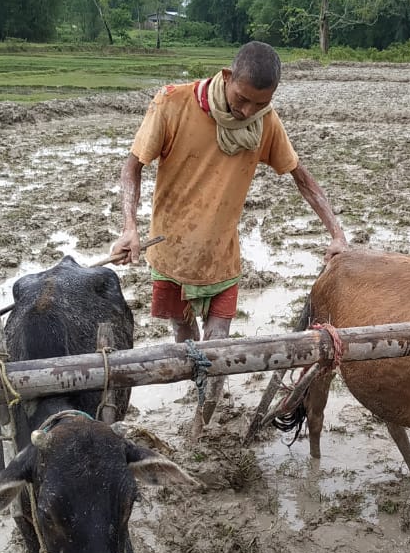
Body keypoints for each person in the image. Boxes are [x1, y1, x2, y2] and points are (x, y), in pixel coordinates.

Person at [110, 41, 347, 347]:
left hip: (221, 257)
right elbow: (132, 168)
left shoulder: (265, 123)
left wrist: (337, 234)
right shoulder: (171, 103)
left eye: (260, 104)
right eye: (243, 98)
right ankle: (197, 389)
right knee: (184, 338)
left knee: (218, 345)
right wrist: (130, 227)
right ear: (227, 76)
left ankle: (210, 397)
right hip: (170, 252)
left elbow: (302, 178)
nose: (247, 111)